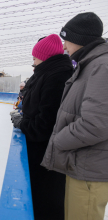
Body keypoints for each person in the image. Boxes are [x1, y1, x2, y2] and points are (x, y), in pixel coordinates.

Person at [41, 12, 108, 220]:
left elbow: (94, 124)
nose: (63, 47)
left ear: (79, 40)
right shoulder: (89, 64)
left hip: (89, 171)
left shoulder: (101, 67)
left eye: (66, 40)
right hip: (80, 166)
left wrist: (58, 140)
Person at [11, 34, 73, 220]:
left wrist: (24, 123)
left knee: (47, 203)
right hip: (41, 153)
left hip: (47, 157)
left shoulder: (57, 77)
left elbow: (46, 122)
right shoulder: (47, 73)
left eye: (35, 56)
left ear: (44, 56)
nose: (33, 61)